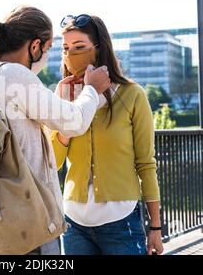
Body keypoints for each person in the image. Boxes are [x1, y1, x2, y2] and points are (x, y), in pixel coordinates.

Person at [0, 6, 111, 254]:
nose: (48, 55)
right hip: (28, 216)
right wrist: (92, 90)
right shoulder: (16, 76)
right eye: (49, 48)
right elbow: (75, 122)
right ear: (35, 46)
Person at [51, 14, 164, 255]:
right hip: (74, 224)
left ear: (99, 49)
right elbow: (53, 161)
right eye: (65, 48)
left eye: (79, 47)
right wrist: (69, 111)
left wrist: (155, 227)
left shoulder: (133, 95)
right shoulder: (63, 96)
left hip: (120, 221)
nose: (71, 54)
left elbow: (146, 163)